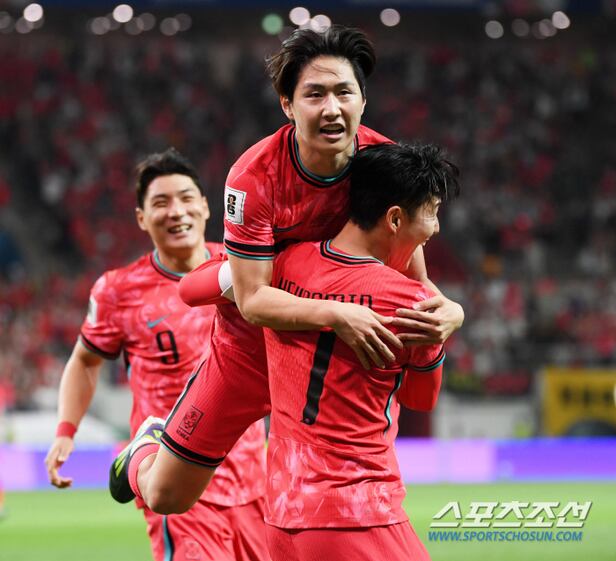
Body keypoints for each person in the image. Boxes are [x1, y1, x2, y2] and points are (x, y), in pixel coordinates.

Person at [109, 26, 463, 516]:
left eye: (344, 92)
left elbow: (410, 277)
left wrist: (453, 312)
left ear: (363, 101)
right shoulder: (253, 178)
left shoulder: (384, 164)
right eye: (314, 95)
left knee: (327, 501)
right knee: (167, 497)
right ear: (287, 105)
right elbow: (253, 301)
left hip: (322, 354)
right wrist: (336, 313)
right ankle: (146, 447)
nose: (331, 108)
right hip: (248, 349)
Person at [44, 148, 268, 561]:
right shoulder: (119, 291)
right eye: (161, 203)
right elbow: (85, 361)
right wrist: (65, 430)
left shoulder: (246, 269)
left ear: (206, 206)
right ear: (141, 218)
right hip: (179, 480)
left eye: (186, 198)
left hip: (255, 482)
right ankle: (143, 452)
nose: (176, 211)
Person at [264, 142, 458, 560]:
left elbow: (195, 287)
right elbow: (421, 399)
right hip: (358, 513)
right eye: (432, 212)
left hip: (282, 516)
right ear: (395, 219)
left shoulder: (285, 264)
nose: (436, 228)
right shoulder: (414, 306)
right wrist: (442, 330)